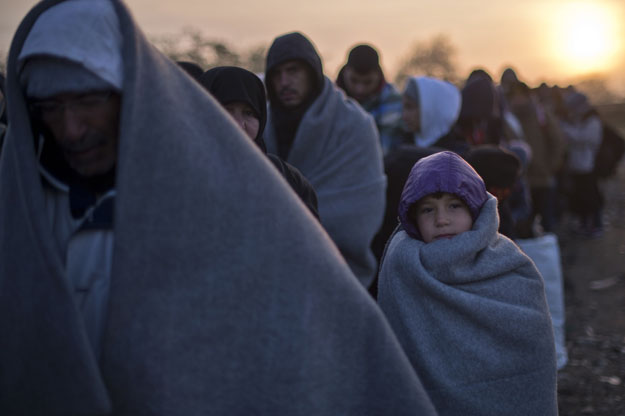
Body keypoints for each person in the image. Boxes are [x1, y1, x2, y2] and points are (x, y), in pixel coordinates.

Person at [0, 1, 439, 414]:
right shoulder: (25, 205)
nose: (71, 128)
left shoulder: (236, 192)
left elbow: (320, 317)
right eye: (49, 107)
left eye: (88, 101)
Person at [377, 151, 558, 415]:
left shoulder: (510, 263)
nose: (442, 220)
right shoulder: (402, 264)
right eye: (428, 209)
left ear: (475, 208)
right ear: (412, 217)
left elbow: (533, 352)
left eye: (454, 206)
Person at [263, 31, 386, 288]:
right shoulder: (258, 122)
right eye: (277, 74)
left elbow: (362, 205)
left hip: (336, 268)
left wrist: (287, 223)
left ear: (313, 71)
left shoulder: (355, 125)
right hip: (262, 264)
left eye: (294, 70)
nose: (285, 81)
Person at [199, 65, 319, 218]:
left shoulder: (287, 181)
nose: (239, 125)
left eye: (249, 113)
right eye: (226, 111)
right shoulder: (181, 176)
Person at [336, 44, 406, 154]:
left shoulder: (393, 101)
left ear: (378, 75)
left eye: (367, 82)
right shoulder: (329, 99)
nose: (360, 89)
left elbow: (381, 152)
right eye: (354, 80)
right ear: (345, 72)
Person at [559, 91, 604, 237]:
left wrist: (566, 129)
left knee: (591, 197)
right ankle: (585, 224)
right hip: (578, 165)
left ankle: (595, 225)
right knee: (581, 197)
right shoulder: (580, 119)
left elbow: (584, 138)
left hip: (587, 165)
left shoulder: (592, 120)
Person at [401, 76, 467, 155]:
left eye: (410, 107)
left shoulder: (459, 156)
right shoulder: (401, 149)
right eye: (404, 107)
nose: (404, 116)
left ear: (430, 107)